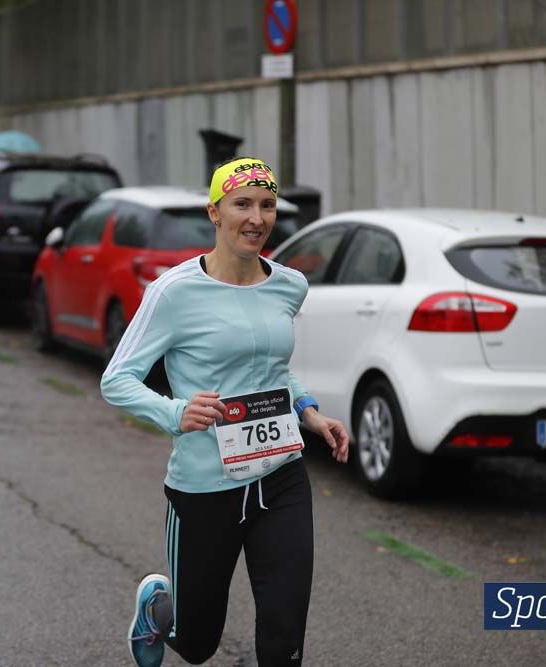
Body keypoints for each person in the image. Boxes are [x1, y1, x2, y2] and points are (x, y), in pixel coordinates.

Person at [101, 157, 350, 666]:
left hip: (281, 477)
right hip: (205, 487)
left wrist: (309, 411)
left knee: (284, 641)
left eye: (266, 205)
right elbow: (117, 379)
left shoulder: (288, 285)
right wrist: (176, 412)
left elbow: (272, 367)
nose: (256, 218)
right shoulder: (174, 293)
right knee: (196, 645)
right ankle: (158, 608)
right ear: (215, 212)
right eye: (242, 205)